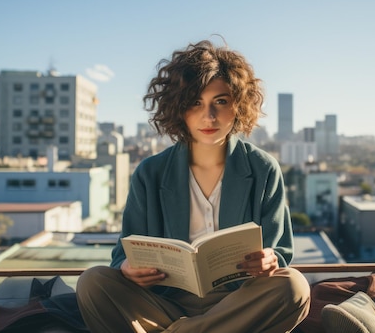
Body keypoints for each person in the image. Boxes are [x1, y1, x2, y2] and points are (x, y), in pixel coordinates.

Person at [76, 39, 311, 333]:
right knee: (93, 282)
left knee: (294, 286)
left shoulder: (263, 169)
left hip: (238, 302)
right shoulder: (150, 173)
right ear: (178, 108)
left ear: (239, 105)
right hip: (163, 303)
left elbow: (280, 251)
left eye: (220, 102)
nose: (208, 116)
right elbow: (122, 256)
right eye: (195, 102)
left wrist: (270, 259)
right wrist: (127, 269)